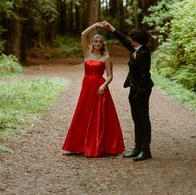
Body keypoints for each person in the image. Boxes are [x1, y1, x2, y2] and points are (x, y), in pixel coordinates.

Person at [62, 22, 125, 157]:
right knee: (83, 113)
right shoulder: (87, 53)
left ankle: (99, 145)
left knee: (98, 116)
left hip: (99, 88)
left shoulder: (106, 58)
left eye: (100, 42)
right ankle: (78, 145)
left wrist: (104, 85)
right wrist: (96, 25)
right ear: (92, 43)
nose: (97, 43)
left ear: (103, 44)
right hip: (87, 87)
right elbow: (83, 35)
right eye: (95, 41)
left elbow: (110, 76)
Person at [101, 21, 154, 162]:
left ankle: (146, 150)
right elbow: (123, 39)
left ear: (137, 40)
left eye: (132, 38)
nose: (130, 40)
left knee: (143, 119)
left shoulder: (144, 53)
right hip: (134, 89)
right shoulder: (135, 49)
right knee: (136, 119)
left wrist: (139, 93)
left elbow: (144, 75)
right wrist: (110, 28)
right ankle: (137, 148)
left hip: (141, 91)